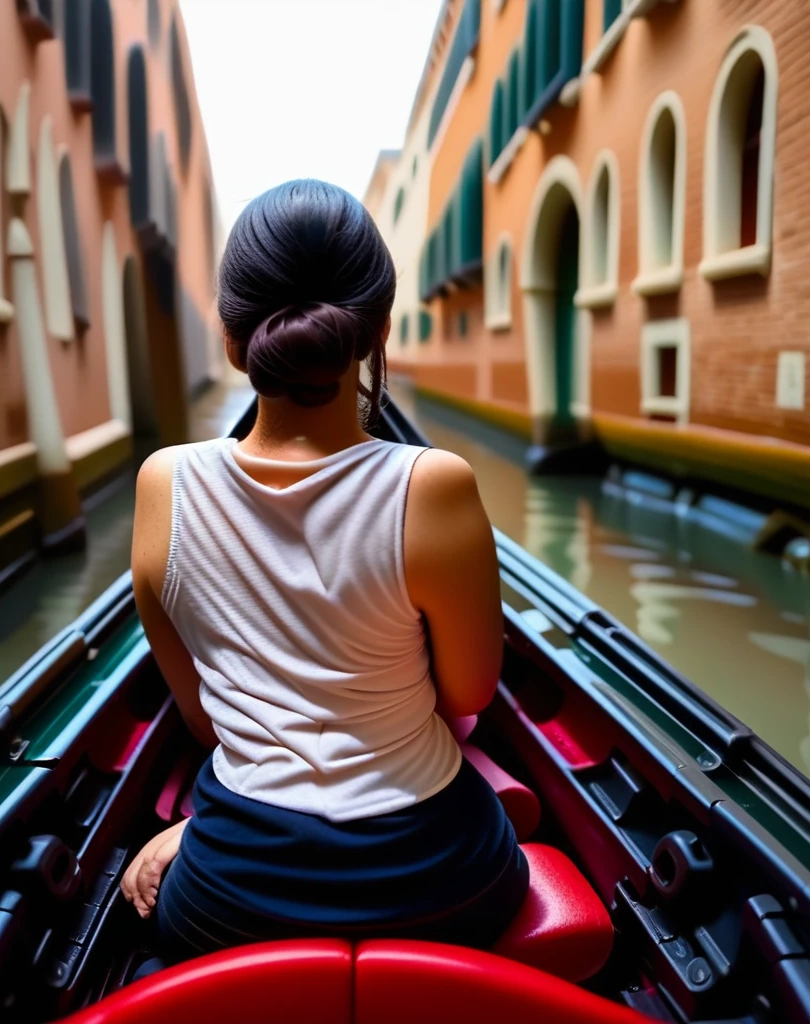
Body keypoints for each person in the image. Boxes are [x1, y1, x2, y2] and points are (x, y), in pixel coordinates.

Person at [122, 179, 527, 966]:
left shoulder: (161, 485)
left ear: (235, 341)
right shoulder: (434, 484)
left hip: (229, 898)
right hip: (442, 883)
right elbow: (469, 695)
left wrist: (198, 829)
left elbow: (208, 720)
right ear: (376, 333)